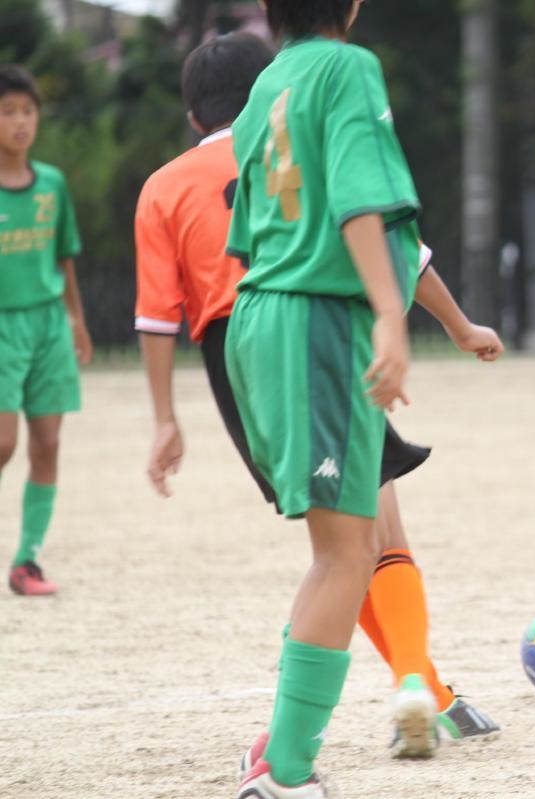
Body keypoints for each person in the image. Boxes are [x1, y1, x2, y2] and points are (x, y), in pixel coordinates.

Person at [132, 31, 501, 782]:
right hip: (320, 326)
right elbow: (397, 243)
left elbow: (156, 316)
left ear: (194, 115)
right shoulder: (302, 130)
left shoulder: (163, 186)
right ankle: (407, 693)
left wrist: (165, 418)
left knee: (340, 541)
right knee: (364, 536)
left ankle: (399, 697)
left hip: (238, 352)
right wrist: (459, 327)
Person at [216, 2, 442, 795]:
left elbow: (246, 229)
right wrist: (388, 312)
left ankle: (276, 744)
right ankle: (284, 771)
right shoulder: (347, 67)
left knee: (342, 546)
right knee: (348, 552)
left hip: (260, 314)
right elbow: (358, 200)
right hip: (316, 319)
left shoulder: (266, 84)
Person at [0, 64, 93, 596]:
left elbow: (65, 256)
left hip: (49, 324)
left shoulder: (52, 184)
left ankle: (26, 561)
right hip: (3, 327)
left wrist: (76, 319)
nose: (20, 122)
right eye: (8, 111)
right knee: (3, 443)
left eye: (27, 111)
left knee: (49, 441)